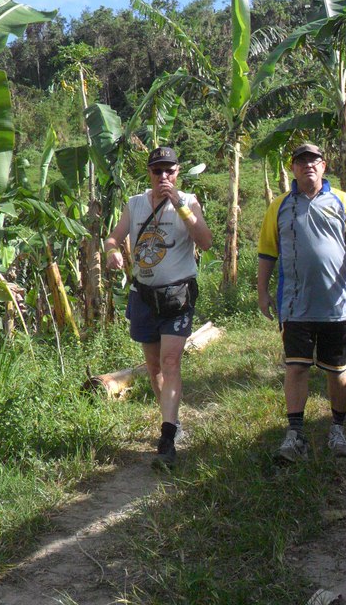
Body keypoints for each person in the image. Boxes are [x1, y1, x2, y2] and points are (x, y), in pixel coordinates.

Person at [257, 143, 346, 461]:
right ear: (293, 168)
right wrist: (262, 291)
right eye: (301, 161)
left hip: (337, 305)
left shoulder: (342, 201)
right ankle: (295, 436)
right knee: (296, 368)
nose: (308, 166)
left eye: (314, 161)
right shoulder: (279, 206)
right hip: (294, 305)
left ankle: (337, 429)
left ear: (324, 166)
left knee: (338, 371)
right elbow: (267, 252)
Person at [104, 146, 213, 468]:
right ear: (149, 173)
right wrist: (112, 252)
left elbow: (205, 241)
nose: (163, 176)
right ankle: (173, 421)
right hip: (143, 295)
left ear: (178, 172)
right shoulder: (136, 204)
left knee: (170, 361)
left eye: (170, 171)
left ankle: (166, 438)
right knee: (154, 367)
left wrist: (180, 205)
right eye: (157, 171)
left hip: (177, 295)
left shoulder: (189, 201)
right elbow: (113, 237)